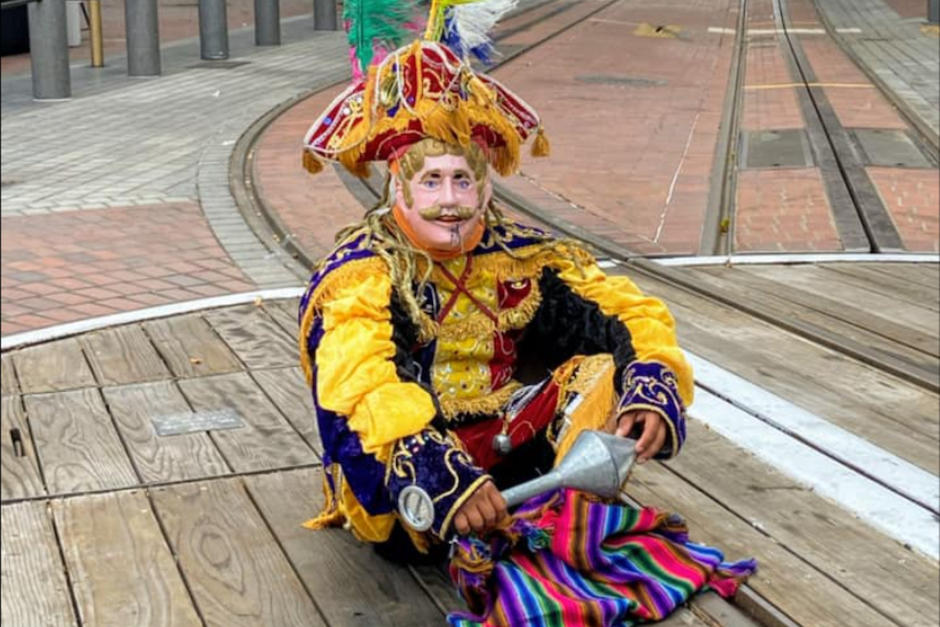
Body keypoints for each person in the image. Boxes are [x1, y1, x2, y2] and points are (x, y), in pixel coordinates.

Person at [297, 10, 753, 625]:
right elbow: (358, 400)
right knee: (411, 494)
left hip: (513, 451)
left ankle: (544, 514)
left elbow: (621, 317)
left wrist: (650, 386)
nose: (451, 201)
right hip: (416, 490)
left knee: (604, 368)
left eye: (463, 180)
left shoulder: (521, 254)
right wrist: (440, 477)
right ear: (397, 190)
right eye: (431, 182)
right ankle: (525, 528)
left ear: (486, 188)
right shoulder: (362, 275)